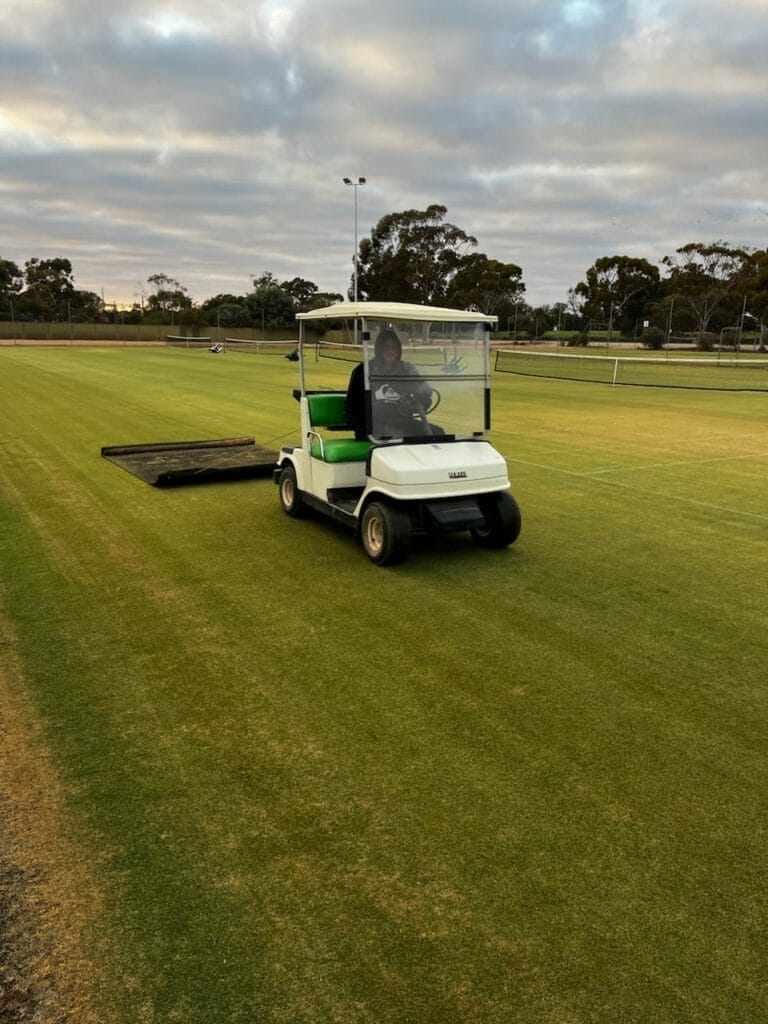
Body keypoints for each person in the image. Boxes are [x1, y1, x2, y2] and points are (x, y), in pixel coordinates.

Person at [345, 327, 438, 439]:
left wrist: (420, 396)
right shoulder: (364, 371)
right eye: (386, 348)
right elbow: (352, 404)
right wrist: (361, 427)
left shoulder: (406, 370)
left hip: (403, 423)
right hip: (374, 427)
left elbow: (424, 390)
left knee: (438, 433)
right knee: (399, 437)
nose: (391, 351)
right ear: (379, 349)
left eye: (394, 348)